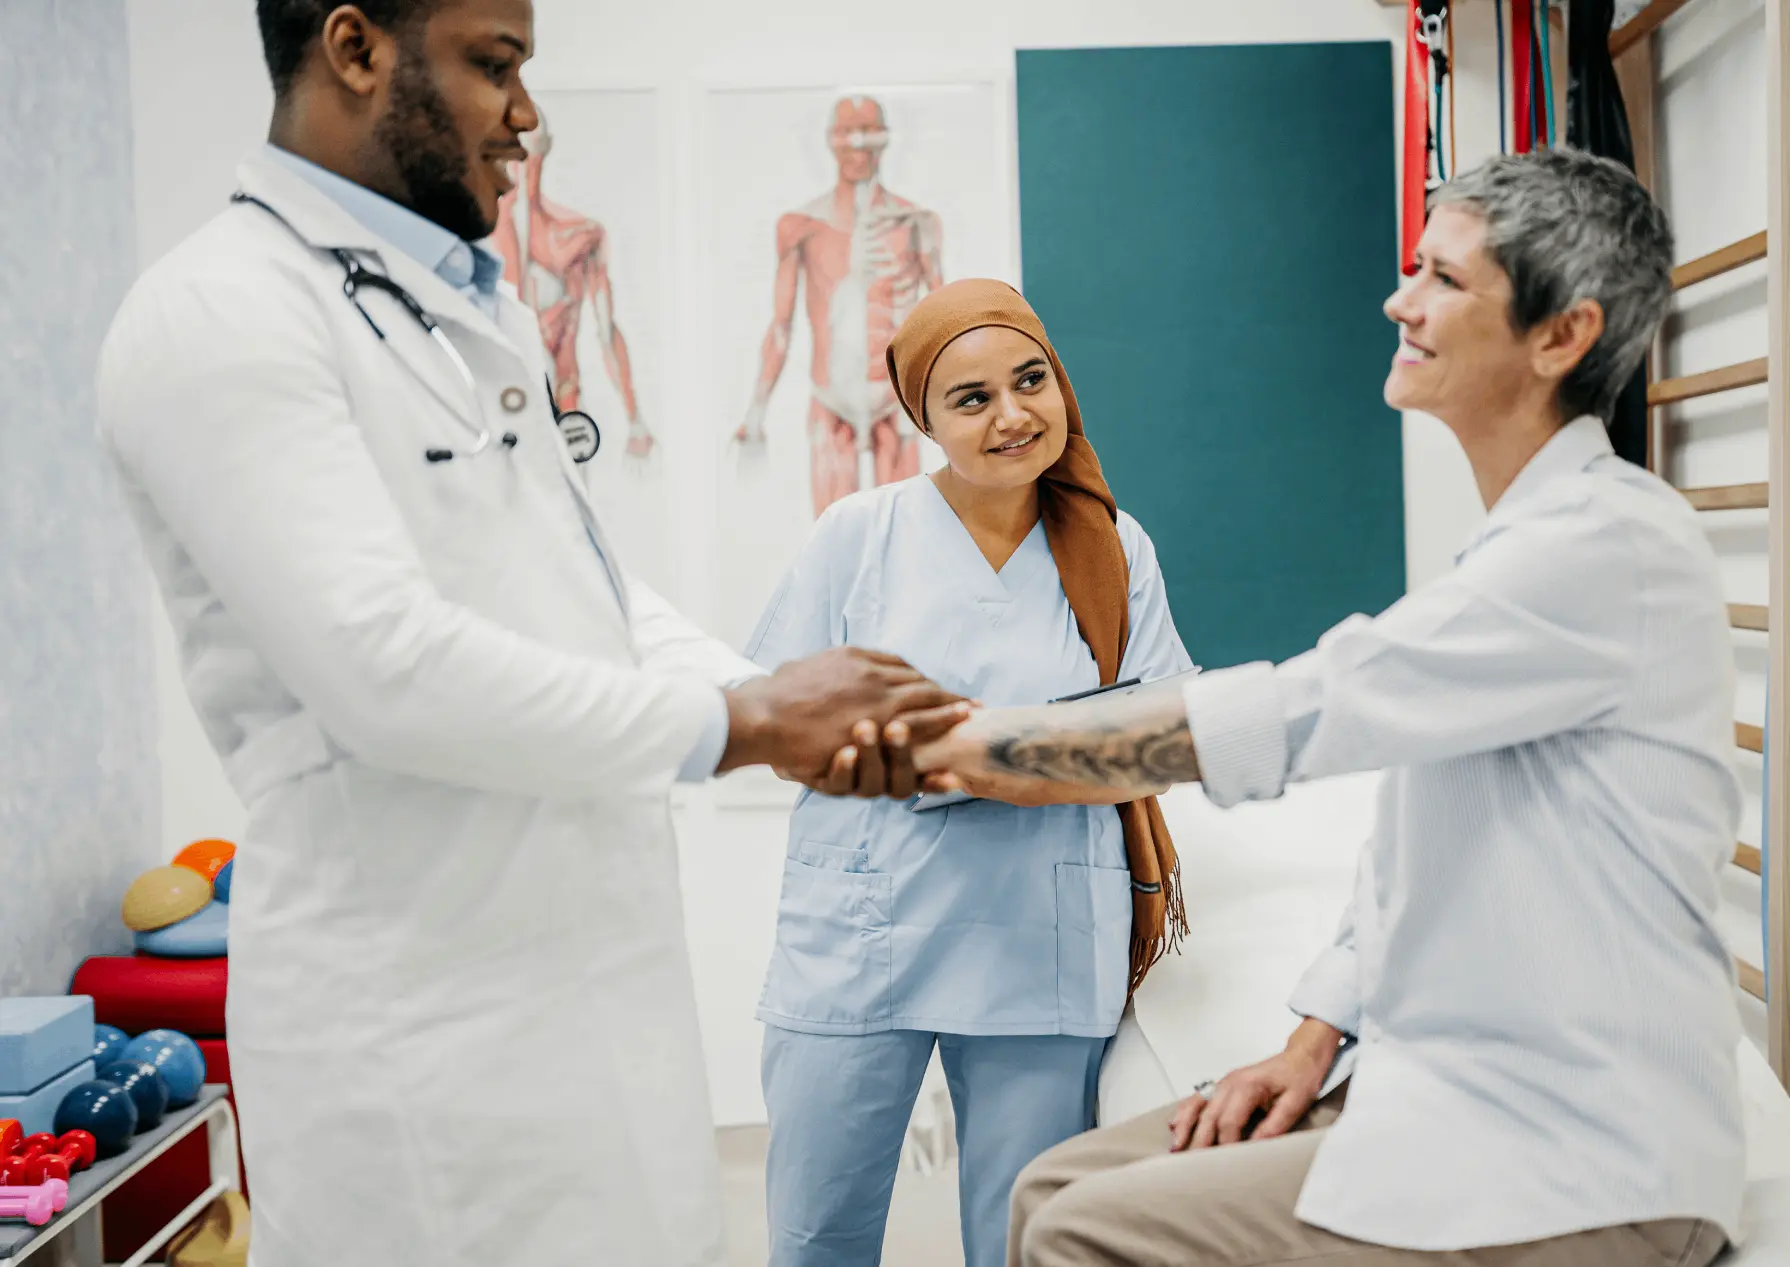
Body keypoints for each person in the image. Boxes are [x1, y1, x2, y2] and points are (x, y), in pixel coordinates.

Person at [94, 4, 967, 1266]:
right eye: (494, 67)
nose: (526, 115)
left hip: (596, 1007)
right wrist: (746, 721)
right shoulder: (218, 316)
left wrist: (767, 699)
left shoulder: (464, 309)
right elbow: (381, 666)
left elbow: (587, 600)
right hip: (418, 1053)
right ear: (355, 49)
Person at [918, 150, 1744, 1267]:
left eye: (1445, 281)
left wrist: (981, 746)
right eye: (1415, 268)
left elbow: (1309, 709)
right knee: (1051, 1182)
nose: (1401, 300)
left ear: (1561, 336)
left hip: (1585, 1151)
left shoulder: (1608, 548)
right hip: (1445, 1093)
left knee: (1081, 1235)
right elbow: (1419, 852)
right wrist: (1313, 1041)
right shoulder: (1515, 548)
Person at [745, 278, 1193, 1267]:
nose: (1012, 415)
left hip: (1040, 931)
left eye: (1031, 381)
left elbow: (1165, 729)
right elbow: (782, 724)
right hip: (867, 926)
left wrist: (1001, 753)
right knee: (818, 1233)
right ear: (927, 420)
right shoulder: (857, 537)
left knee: (1024, 1238)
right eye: (972, 398)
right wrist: (933, 757)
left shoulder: (1114, 547)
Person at [735, 95, 945, 516]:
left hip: (895, 402)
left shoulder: (917, 223)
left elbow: (947, 321)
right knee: (833, 542)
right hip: (831, 399)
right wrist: (755, 412)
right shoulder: (801, 227)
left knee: (904, 537)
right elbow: (782, 325)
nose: (859, 143)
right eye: (848, 132)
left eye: (869, 131)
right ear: (831, 141)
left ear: (885, 140)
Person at [489, 103, 656, 461]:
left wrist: (635, 419)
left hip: (568, 413)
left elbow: (607, 331)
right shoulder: (481, 238)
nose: (522, 162)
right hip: (502, 413)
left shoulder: (582, 236)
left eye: (528, 149)